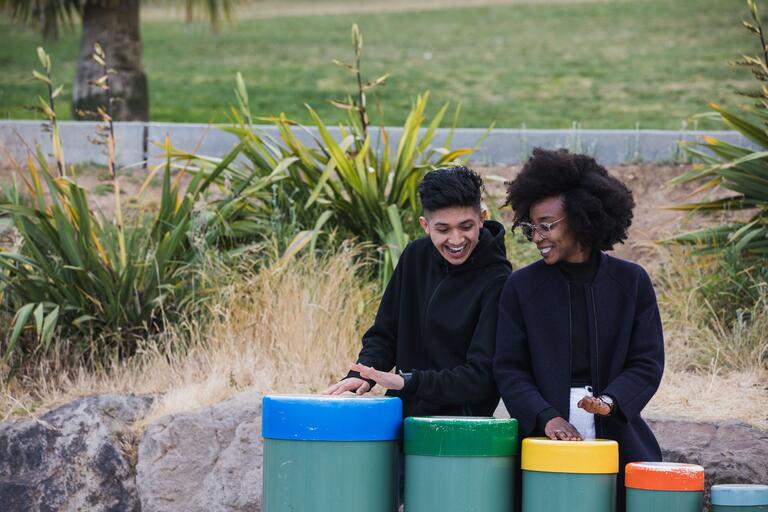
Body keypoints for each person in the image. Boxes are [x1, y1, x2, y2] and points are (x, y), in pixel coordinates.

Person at [493, 148, 664, 512]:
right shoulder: (520, 287)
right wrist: (546, 417)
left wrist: (609, 403)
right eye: (530, 226)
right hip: (540, 436)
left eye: (547, 224)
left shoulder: (631, 282)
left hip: (617, 431)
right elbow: (509, 368)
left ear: (583, 218)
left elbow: (647, 363)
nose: (537, 236)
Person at [323, 165, 512, 420]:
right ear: (425, 225)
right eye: (443, 229)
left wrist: (407, 382)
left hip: (462, 427)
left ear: (482, 218)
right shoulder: (415, 256)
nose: (456, 240)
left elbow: (481, 378)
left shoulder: (498, 279)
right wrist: (362, 375)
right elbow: (384, 334)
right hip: (400, 416)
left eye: (466, 226)